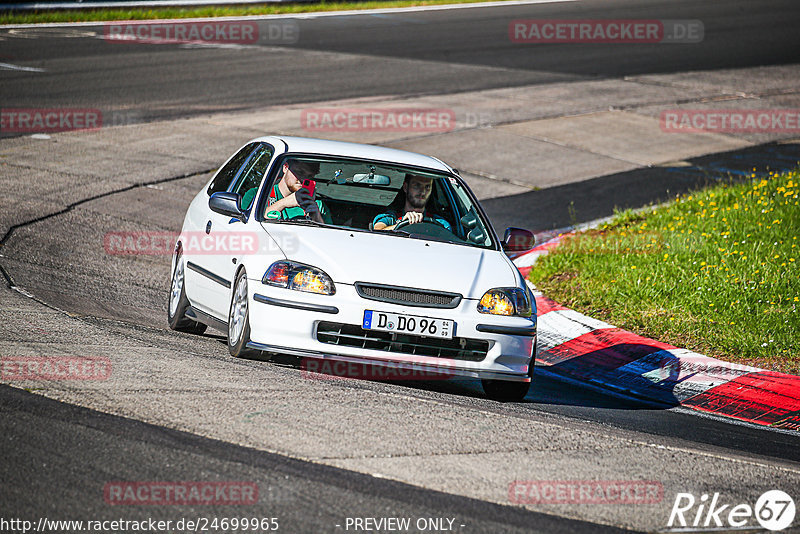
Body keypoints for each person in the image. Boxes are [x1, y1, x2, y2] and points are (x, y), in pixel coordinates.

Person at [260, 159, 332, 224]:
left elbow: (329, 236)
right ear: (285, 168)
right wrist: (283, 203)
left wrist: (317, 219)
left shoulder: (318, 205)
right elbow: (251, 222)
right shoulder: (259, 196)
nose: (303, 179)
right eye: (300, 172)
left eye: (309, 176)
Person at [372, 174, 451, 231]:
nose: (423, 192)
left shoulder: (441, 224)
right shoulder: (390, 218)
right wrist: (402, 224)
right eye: (417, 185)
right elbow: (377, 231)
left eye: (427, 187)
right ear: (406, 187)